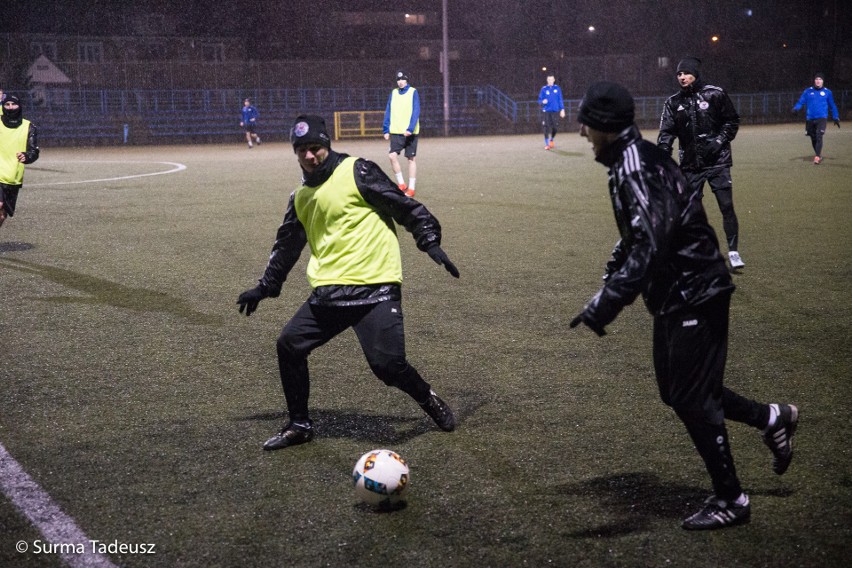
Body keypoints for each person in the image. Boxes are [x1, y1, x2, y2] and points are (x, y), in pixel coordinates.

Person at [569, 81, 799, 530]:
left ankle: (732, 499)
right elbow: (651, 223)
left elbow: (651, 242)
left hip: (696, 288)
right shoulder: (632, 161)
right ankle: (772, 417)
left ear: (606, 127)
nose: (581, 133)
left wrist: (607, 301)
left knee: (692, 397)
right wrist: (617, 260)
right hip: (677, 291)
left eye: (587, 125)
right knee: (678, 392)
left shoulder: (635, 166)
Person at [237, 115, 459, 451]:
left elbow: (403, 206)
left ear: (327, 145)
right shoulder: (300, 197)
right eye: (302, 151)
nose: (310, 156)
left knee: (387, 367)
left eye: (315, 148)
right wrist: (265, 286)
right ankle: (299, 424)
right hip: (329, 294)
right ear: (295, 154)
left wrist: (428, 239)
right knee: (289, 345)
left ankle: (428, 398)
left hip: (376, 289)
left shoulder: (358, 171)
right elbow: (286, 246)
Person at [658, 57, 744, 270]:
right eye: (678, 74)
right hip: (690, 166)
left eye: (685, 73)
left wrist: (718, 141)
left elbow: (732, 121)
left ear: (695, 73)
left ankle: (733, 252)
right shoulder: (673, 102)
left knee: (726, 206)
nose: (682, 77)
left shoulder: (715, 94)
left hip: (718, 163)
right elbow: (666, 133)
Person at [1, 95, 40, 230]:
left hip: (13, 177)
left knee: (2, 215)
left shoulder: (29, 127)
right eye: (7, 105)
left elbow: (33, 151)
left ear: (20, 106)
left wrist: (27, 156)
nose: (10, 107)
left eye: (14, 104)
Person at [382, 71, 420, 197]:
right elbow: (388, 110)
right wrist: (386, 129)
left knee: (411, 159)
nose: (400, 82)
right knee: (392, 156)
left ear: (406, 80)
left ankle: (412, 188)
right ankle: (401, 184)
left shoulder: (413, 92)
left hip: (410, 132)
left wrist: (410, 128)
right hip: (396, 132)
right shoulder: (393, 93)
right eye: (398, 80)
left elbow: (416, 110)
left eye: (402, 79)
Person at [792, 72, 840, 165]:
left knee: (819, 135)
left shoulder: (827, 92)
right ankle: (818, 154)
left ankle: (817, 156)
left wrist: (835, 116)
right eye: (816, 79)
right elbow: (800, 102)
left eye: (820, 79)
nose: (818, 81)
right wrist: (795, 109)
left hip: (822, 118)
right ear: (814, 80)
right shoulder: (807, 91)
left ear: (823, 81)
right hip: (810, 119)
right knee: (813, 137)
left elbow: (832, 105)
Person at [537, 73, 565, 150]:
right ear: (547, 80)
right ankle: (547, 144)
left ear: (554, 80)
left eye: (551, 79)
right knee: (546, 127)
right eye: (549, 79)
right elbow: (539, 100)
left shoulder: (557, 88)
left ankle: (551, 139)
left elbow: (560, 99)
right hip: (546, 111)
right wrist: (543, 101)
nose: (550, 81)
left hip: (555, 111)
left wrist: (562, 109)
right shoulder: (544, 89)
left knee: (555, 128)